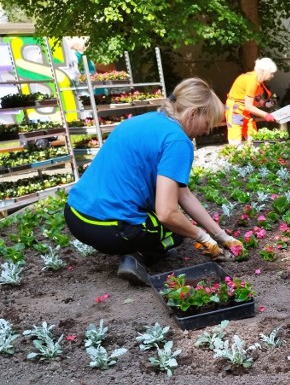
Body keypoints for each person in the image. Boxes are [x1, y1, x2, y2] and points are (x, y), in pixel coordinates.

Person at [64, 77, 244, 285]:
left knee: (177, 223)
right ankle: (136, 257)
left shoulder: (145, 120)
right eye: (207, 123)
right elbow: (167, 213)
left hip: (76, 215)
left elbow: (182, 194)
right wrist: (202, 237)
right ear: (193, 113)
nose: (206, 131)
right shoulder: (177, 140)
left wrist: (221, 236)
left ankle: (130, 247)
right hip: (108, 227)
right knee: (176, 233)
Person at [225, 57, 278, 146]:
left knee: (253, 138)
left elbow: (254, 97)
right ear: (264, 71)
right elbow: (249, 106)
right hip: (236, 110)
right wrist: (266, 115)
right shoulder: (252, 81)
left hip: (246, 111)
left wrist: (264, 103)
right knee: (235, 142)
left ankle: (252, 157)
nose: (272, 76)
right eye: (271, 73)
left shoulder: (257, 79)